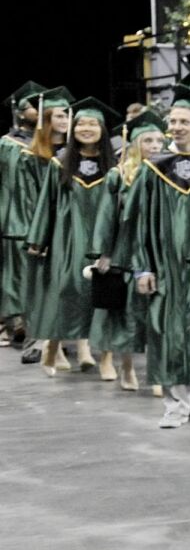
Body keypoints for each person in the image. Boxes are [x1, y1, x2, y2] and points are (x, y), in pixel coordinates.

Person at [125, 86, 190, 428]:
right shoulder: (155, 168)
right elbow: (138, 221)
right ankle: (175, 404)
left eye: (185, 121)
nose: (177, 127)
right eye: (174, 121)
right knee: (168, 331)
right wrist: (142, 267)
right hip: (166, 266)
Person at [25, 98, 118, 377]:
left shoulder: (113, 166)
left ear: (103, 130)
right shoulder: (60, 162)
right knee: (69, 291)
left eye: (92, 124)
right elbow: (47, 203)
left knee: (101, 296)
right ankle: (55, 347)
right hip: (68, 239)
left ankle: (102, 357)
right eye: (81, 124)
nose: (86, 129)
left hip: (103, 240)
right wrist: (37, 239)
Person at [88, 109, 164, 393]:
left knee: (155, 313)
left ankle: (157, 373)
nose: (155, 147)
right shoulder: (118, 175)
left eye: (159, 141)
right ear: (134, 145)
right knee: (128, 316)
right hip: (126, 250)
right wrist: (104, 252)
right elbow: (106, 216)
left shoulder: (167, 171)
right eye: (148, 141)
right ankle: (127, 366)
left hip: (156, 250)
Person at [5, 86, 73, 365]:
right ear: (45, 118)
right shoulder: (30, 154)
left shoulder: (75, 152)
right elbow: (26, 197)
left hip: (70, 228)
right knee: (39, 287)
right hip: (41, 228)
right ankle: (36, 342)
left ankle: (57, 340)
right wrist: (38, 234)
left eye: (67, 114)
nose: (64, 119)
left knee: (62, 286)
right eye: (58, 114)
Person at [1, 82, 46, 346]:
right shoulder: (7, 144)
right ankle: (15, 322)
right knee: (16, 272)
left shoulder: (50, 143)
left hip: (43, 217)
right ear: (18, 112)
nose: (38, 112)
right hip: (16, 217)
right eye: (32, 107)